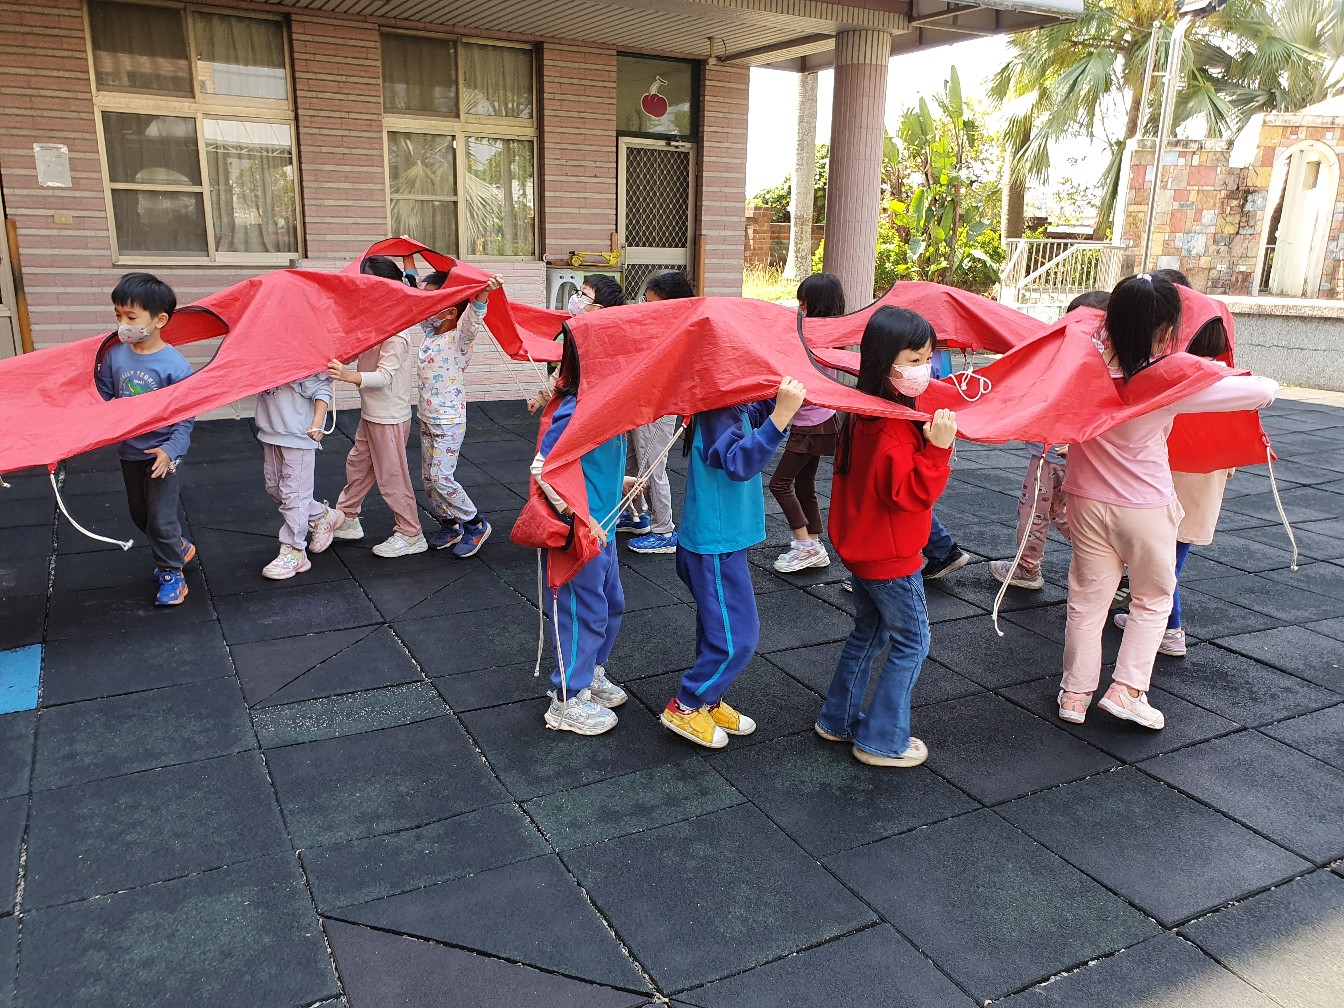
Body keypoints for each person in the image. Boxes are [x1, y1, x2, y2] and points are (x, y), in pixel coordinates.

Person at [1057, 273, 1278, 731]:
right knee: (1153, 599)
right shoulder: (1166, 380)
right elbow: (1264, 391)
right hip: (1144, 506)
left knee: (1087, 600)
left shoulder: (1081, 365)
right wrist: (1200, 367)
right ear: (1166, 332)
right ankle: (1127, 690)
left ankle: (1074, 694)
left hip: (1084, 499)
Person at [817, 306, 956, 767]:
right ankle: (882, 740)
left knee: (869, 632)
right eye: (914, 359)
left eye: (928, 358)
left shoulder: (865, 412)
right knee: (913, 642)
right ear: (885, 360)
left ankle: (838, 719)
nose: (924, 368)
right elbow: (911, 495)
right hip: (891, 557)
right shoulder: (893, 429)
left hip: (863, 547)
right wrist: (937, 450)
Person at [660, 377, 807, 748]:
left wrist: (776, 399)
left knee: (718, 631)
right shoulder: (716, 408)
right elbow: (739, 462)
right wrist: (781, 415)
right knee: (737, 639)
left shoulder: (733, 403)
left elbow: (756, 416)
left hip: (721, 542)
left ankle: (708, 699)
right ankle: (686, 705)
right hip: (714, 546)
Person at [1112, 310, 1236, 656]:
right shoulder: (1230, 381)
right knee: (1170, 560)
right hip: (1205, 486)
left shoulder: (1178, 377)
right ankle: (1161, 621)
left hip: (1171, 483)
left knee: (1162, 565)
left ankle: (1170, 628)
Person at [530, 331, 629, 734]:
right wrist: (575, 514)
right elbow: (543, 467)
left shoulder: (609, 405)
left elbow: (592, 463)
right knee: (581, 611)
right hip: (580, 533)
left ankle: (590, 672)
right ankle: (567, 698)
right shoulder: (578, 408)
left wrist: (619, 482)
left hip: (602, 527)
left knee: (610, 604)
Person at [989, 290, 1110, 590]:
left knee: (1035, 513)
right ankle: (1106, 560)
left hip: (1052, 455)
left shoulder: (1070, 359)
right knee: (1062, 513)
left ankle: (1027, 568)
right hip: (1076, 455)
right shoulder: (1106, 364)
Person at [314, 256, 425, 558]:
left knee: (391, 476)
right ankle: (348, 517)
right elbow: (356, 350)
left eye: (368, 283)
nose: (363, 288)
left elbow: (384, 376)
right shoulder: (376, 322)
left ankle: (411, 533)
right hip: (373, 413)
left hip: (389, 416)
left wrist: (348, 375)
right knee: (359, 465)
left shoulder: (397, 332)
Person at [96, 273, 196, 606]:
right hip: (130, 452)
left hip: (162, 454)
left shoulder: (175, 366)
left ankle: (172, 574)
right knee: (141, 516)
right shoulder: (115, 356)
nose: (123, 324)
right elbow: (103, 397)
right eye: (118, 316)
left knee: (161, 520)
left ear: (159, 320)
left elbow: (185, 417)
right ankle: (177, 546)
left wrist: (170, 450)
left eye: (131, 317)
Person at [417, 270, 502, 556]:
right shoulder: (430, 330)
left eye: (433, 301)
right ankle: (450, 523)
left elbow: (473, 317)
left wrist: (484, 292)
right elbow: (411, 298)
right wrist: (408, 258)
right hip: (427, 417)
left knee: (442, 478)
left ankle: (475, 524)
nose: (426, 306)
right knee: (429, 481)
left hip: (449, 420)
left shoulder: (459, 338)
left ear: (451, 311)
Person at [771, 272, 845, 573]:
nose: (799, 308)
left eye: (803, 303)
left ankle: (805, 544)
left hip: (811, 423)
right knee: (803, 483)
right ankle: (813, 544)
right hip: (821, 419)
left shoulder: (814, 338)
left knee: (779, 483)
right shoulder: (830, 334)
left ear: (817, 304)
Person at [625, 269, 693, 554]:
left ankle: (664, 529)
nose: (646, 307)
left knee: (652, 467)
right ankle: (635, 514)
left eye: (652, 303)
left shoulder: (679, 330)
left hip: (658, 407)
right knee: (632, 460)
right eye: (645, 300)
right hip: (641, 402)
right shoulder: (659, 325)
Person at [253, 371, 340, 579]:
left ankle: (294, 550)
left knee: (295, 496)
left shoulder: (299, 364)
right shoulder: (265, 361)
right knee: (275, 489)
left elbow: (321, 389)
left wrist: (317, 423)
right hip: (271, 433)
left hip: (298, 437)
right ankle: (321, 515)